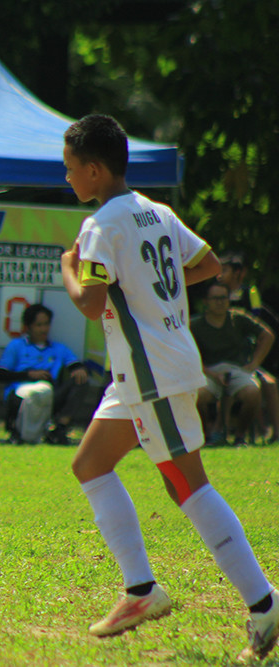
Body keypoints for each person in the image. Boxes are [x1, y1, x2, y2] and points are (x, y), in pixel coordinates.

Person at [60, 114, 276, 660]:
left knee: (190, 487)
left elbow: (88, 303)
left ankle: (265, 604)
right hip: (146, 369)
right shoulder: (156, 212)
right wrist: (153, 295)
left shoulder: (100, 225)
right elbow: (205, 266)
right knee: (90, 466)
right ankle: (141, 590)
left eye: (69, 170)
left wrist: (68, 267)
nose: (67, 179)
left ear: (92, 169)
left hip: (151, 371)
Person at [190, 282, 274, 444]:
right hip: (208, 371)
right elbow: (188, 353)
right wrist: (210, 373)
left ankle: (240, 437)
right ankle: (206, 435)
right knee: (199, 394)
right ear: (206, 301)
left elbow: (267, 335)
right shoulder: (195, 324)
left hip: (237, 369)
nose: (220, 302)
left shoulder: (238, 318)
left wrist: (254, 363)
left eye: (223, 298)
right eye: (215, 298)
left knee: (252, 392)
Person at [0, 303, 89, 444]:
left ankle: (59, 429)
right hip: (21, 394)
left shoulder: (59, 348)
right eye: (39, 325)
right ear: (28, 326)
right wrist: (29, 375)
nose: (44, 329)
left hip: (50, 394)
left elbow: (75, 365)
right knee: (21, 396)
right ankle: (16, 430)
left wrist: (79, 369)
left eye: (46, 324)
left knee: (81, 381)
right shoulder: (16, 346)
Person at [217, 251, 279, 442]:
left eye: (224, 270)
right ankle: (222, 431)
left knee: (268, 383)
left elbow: (260, 322)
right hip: (221, 359)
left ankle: (274, 432)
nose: (219, 275)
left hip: (247, 358)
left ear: (238, 273)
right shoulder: (215, 294)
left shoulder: (249, 294)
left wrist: (253, 362)